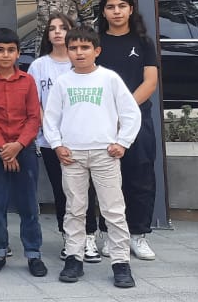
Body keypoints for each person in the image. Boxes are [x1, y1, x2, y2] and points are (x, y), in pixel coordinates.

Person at [43, 27, 141, 289]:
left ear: (97, 51)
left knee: (113, 210)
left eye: (85, 48)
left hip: (104, 154)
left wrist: (123, 142)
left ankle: (121, 263)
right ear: (68, 51)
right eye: (73, 48)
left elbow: (131, 113)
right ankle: (74, 258)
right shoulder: (63, 82)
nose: (79, 53)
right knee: (74, 209)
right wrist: (56, 145)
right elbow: (50, 118)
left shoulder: (109, 79)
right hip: (71, 155)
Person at [30, 15, 103, 263]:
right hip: (51, 141)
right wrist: (51, 133)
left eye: (63, 28)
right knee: (62, 191)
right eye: (52, 28)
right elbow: (35, 102)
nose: (57, 32)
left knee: (86, 191)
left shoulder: (81, 63)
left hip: (82, 139)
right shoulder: (39, 66)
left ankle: (89, 236)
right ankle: (69, 237)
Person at [0, 28, 47, 278]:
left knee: (28, 205)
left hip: (23, 149)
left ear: (17, 53)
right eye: (0, 50)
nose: (5, 55)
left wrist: (17, 146)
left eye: (10, 50)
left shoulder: (27, 81)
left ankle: (33, 253)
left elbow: (33, 117)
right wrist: (3, 149)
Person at [95, 0, 160, 261]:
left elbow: (150, 82)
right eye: (111, 7)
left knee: (140, 177)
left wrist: (126, 111)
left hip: (138, 120)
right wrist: (113, 113)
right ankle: (110, 234)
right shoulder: (96, 43)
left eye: (122, 6)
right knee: (108, 180)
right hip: (104, 121)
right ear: (103, 12)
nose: (117, 11)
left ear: (131, 9)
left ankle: (138, 235)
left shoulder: (143, 42)